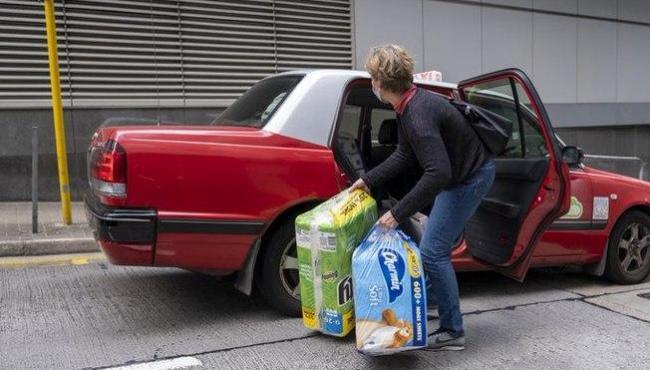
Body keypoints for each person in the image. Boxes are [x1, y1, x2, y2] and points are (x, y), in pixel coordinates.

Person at [351, 45, 496, 351]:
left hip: (470, 177)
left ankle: (452, 331)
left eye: (372, 78)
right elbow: (404, 154)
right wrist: (367, 180)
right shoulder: (407, 105)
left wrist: (398, 213)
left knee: (432, 251)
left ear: (380, 81)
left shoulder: (417, 113)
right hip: (457, 176)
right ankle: (430, 303)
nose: (372, 83)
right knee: (431, 244)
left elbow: (437, 174)